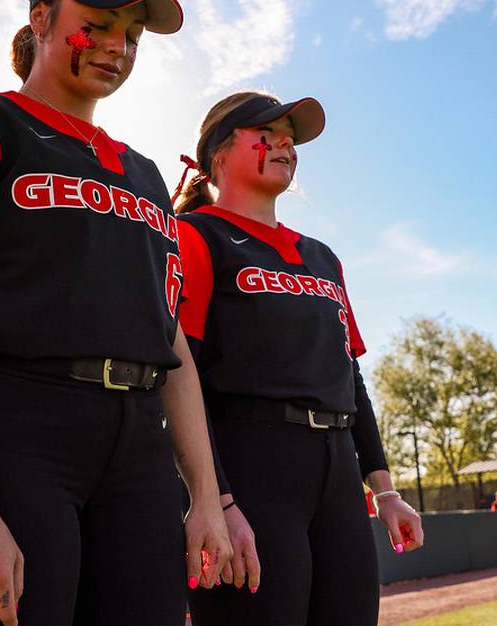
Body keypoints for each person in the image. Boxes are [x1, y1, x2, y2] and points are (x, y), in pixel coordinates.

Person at [0, 0, 230, 626]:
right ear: (41, 18)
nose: (116, 46)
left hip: (137, 452)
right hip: (15, 435)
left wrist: (205, 499)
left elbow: (174, 350)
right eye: (97, 24)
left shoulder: (143, 173)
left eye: (130, 35)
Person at [174, 91, 424, 626]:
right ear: (218, 153)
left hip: (336, 474)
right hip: (250, 465)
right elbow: (179, 375)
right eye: (267, 132)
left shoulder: (322, 256)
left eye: (290, 136)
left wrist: (386, 492)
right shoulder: (196, 236)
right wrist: (215, 500)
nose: (285, 142)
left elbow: (350, 379)